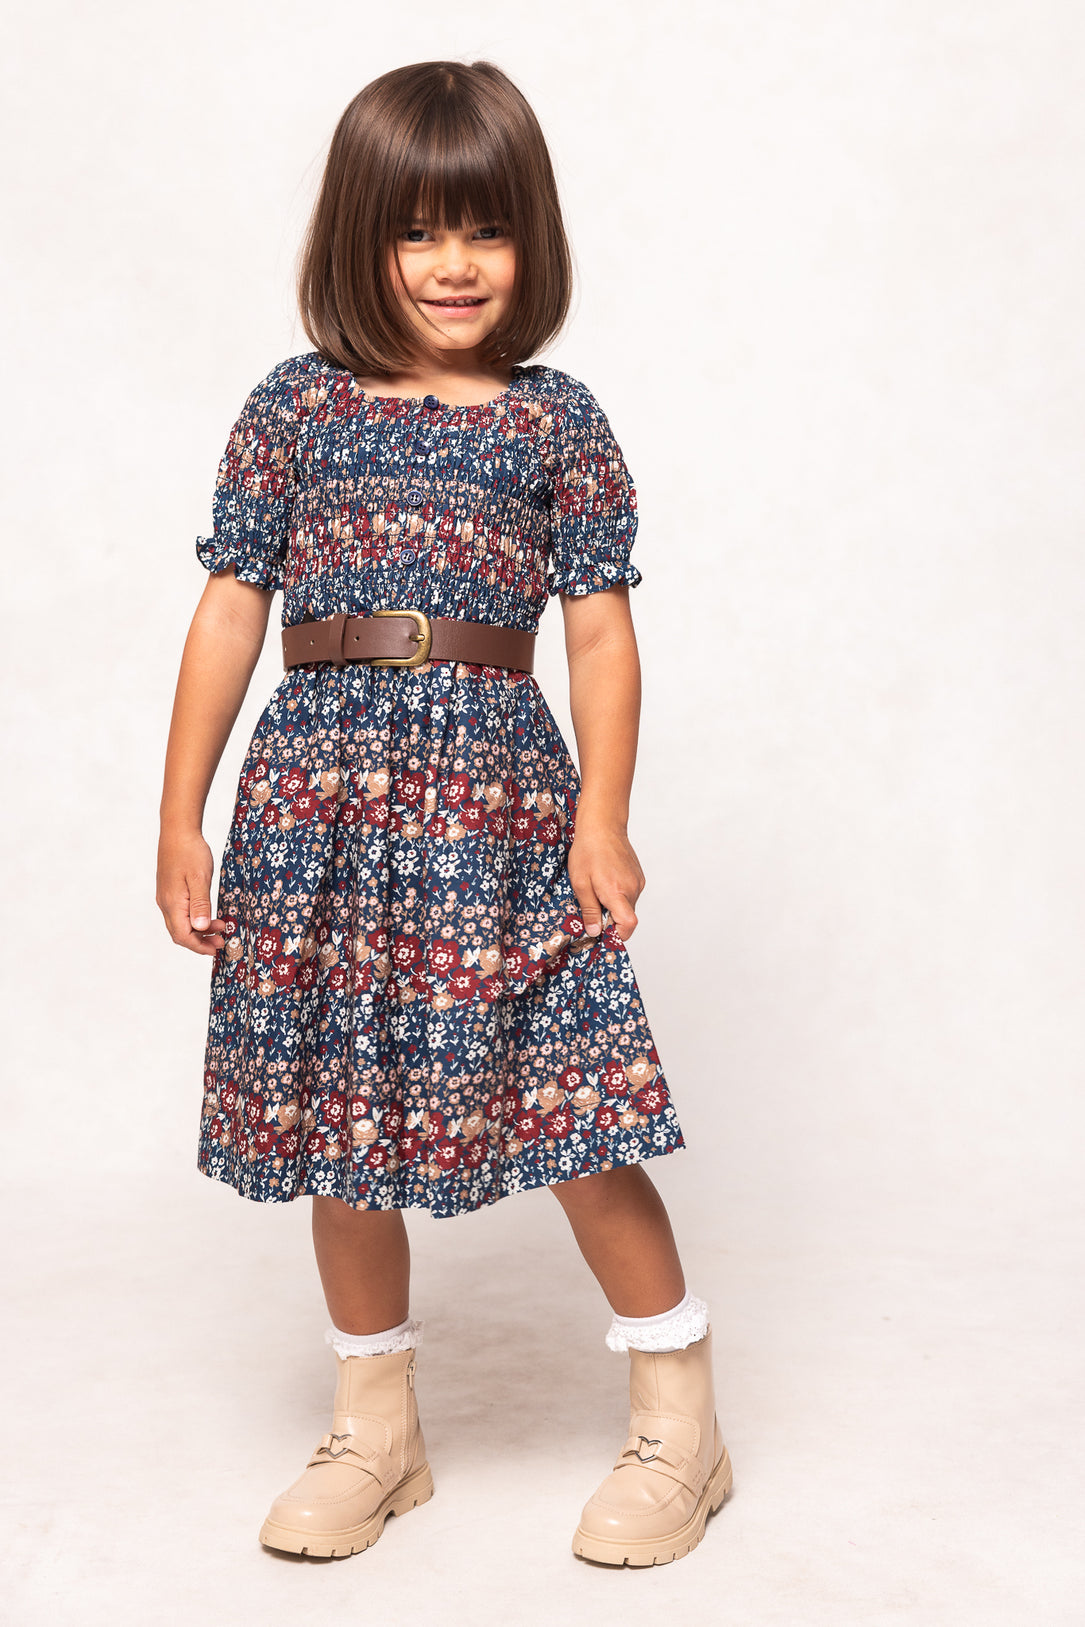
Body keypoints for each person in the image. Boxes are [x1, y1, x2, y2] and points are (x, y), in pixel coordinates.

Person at [157, 58, 732, 1569]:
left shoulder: (555, 424)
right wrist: (180, 817)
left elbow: (599, 635)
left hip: (496, 807)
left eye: (485, 230)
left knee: (576, 1103)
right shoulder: (293, 407)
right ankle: (379, 1429)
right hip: (318, 802)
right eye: (418, 231)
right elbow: (227, 613)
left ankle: (680, 1421)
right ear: (359, 238)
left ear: (530, 241)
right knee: (341, 1123)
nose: (455, 263)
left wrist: (600, 817)